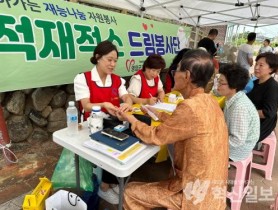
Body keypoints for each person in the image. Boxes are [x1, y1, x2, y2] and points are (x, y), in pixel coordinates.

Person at [117, 49, 229, 210]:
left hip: (194, 195)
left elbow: (155, 136)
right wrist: (157, 114)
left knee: (129, 192)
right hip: (214, 189)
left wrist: (130, 119)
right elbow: (186, 124)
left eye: (177, 70)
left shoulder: (189, 107)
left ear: (187, 76)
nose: (173, 73)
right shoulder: (209, 102)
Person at [74, 40, 133, 205]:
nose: (113, 64)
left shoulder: (117, 80)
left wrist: (127, 103)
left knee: (127, 147)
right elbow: (85, 105)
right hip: (91, 125)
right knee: (112, 150)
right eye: (109, 59)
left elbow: (126, 96)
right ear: (98, 57)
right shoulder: (83, 78)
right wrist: (104, 105)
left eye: (115, 60)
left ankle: (111, 183)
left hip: (112, 124)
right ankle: (104, 187)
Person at [217, 64, 260, 161]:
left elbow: (237, 140)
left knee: (200, 146)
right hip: (236, 142)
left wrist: (215, 140)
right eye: (218, 81)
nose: (217, 86)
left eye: (221, 83)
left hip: (238, 150)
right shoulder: (234, 96)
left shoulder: (239, 107)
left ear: (233, 86)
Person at [247, 52, 278, 146]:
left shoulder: (273, 87)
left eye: (261, 65)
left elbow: (268, 112)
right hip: (251, 119)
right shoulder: (255, 82)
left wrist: (246, 113)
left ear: (271, 69)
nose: (256, 67)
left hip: (262, 124)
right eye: (256, 63)